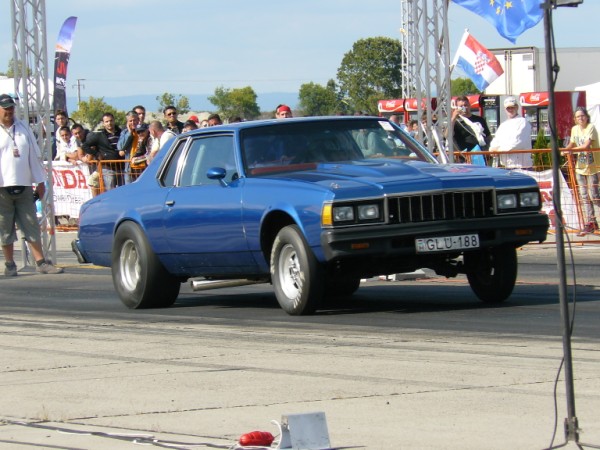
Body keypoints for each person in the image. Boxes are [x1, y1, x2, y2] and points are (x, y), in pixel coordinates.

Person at [0, 93, 63, 275]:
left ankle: (41, 262)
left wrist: (40, 181)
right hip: (2, 187)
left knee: (31, 224)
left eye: (11, 108)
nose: (9, 111)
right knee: (5, 227)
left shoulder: (23, 128)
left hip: (24, 185)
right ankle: (10, 264)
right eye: (5, 108)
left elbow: (34, 157)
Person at [564, 107, 600, 236]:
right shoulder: (574, 129)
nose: (581, 118)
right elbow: (572, 143)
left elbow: (586, 145)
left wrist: (571, 150)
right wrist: (566, 149)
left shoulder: (591, 127)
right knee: (584, 196)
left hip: (593, 167)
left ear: (587, 116)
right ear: (575, 119)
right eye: (578, 117)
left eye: (582, 116)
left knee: (595, 196)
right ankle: (591, 222)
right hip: (581, 167)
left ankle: (593, 220)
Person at [81, 112, 124, 190]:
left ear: (114, 121)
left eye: (111, 120)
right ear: (103, 123)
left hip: (122, 166)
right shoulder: (99, 135)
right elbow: (85, 146)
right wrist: (96, 154)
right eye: (106, 121)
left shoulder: (122, 133)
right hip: (108, 168)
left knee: (123, 190)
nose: (109, 123)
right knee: (111, 191)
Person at [489, 97, 533, 169]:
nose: (510, 110)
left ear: (517, 107)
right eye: (508, 108)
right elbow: (495, 141)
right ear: (505, 109)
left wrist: (498, 150)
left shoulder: (523, 122)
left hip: (522, 166)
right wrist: (492, 149)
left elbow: (517, 143)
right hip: (506, 166)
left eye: (512, 107)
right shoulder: (503, 125)